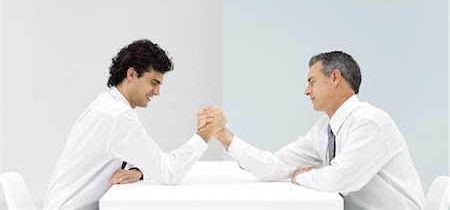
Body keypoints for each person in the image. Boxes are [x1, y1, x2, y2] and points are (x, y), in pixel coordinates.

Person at [208, 51, 426, 210]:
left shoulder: (370, 123)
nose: (306, 91)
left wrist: (304, 176)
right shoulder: (324, 129)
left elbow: (341, 179)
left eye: (311, 82)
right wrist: (223, 135)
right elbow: (274, 166)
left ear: (335, 78)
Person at [44, 39, 226, 210]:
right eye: (153, 83)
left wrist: (139, 171)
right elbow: (169, 171)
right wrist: (206, 133)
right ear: (131, 74)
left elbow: (136, 158)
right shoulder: (118, 116)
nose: (157, 92)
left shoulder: (107, 104)